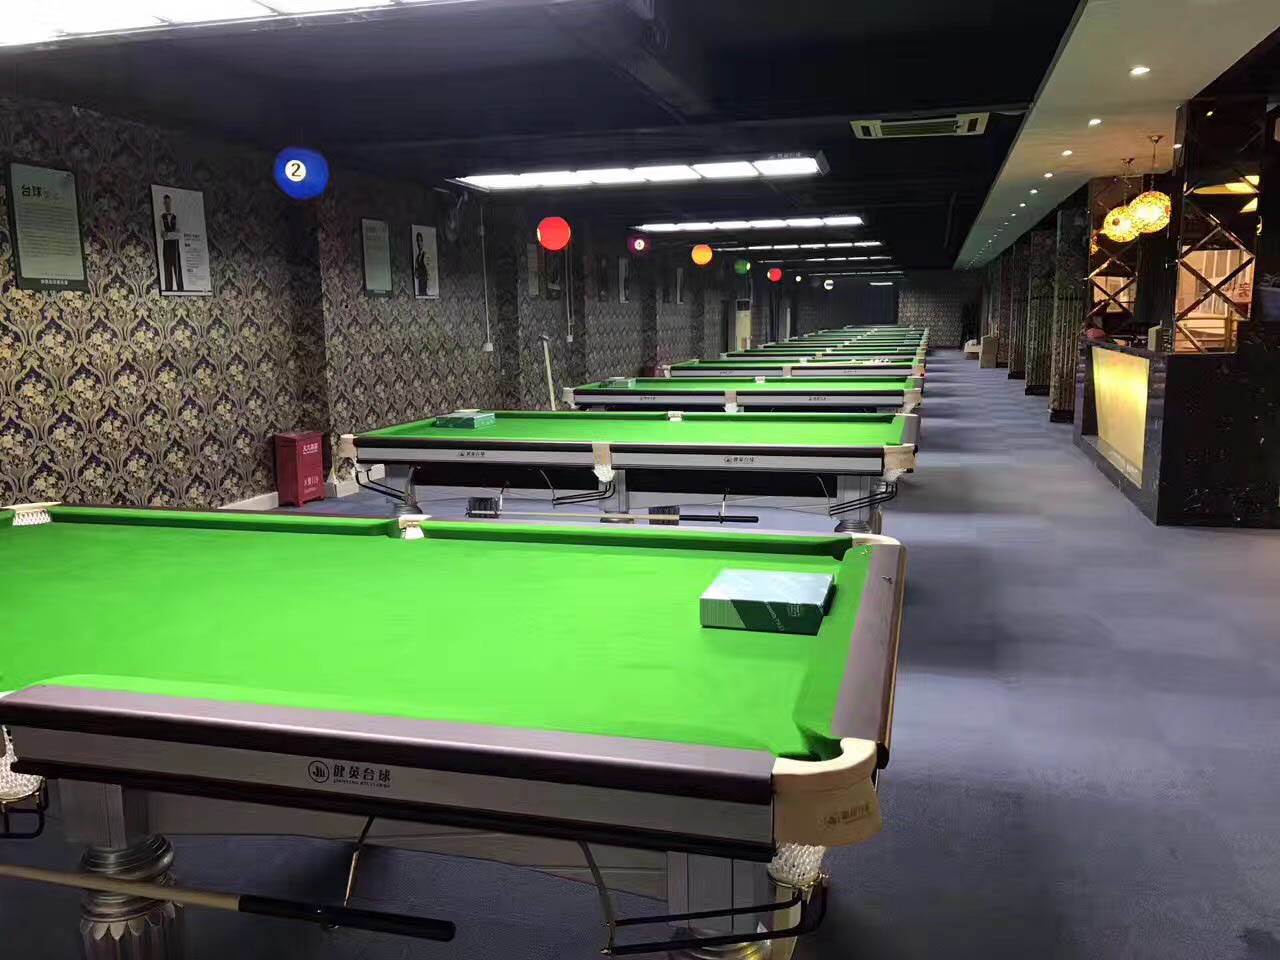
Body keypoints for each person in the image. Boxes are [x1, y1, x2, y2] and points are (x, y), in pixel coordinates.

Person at [159, 194, 182, 292]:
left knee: (177, 268)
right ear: (164, 204)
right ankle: (169, 290)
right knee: (167, 268)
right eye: (165, 203)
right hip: (166, 247)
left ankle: (180, 290)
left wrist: (168, 235)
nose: (167, 205)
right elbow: (162, 235)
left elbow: (179, 234)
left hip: (175, 246)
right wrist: (172, 235)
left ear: (171, 203)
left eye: (168, 202)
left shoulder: (176, 217)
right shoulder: (161, 217)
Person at [414, 231, 431, 297]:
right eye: (418, 241)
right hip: (420, 281)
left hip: (425, 281)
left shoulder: (426, 254)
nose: (419, 243)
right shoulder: (417, 256)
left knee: (424, 294)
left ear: (422, 241)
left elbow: (428, 269)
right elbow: (416, 271)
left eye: (420, 240)